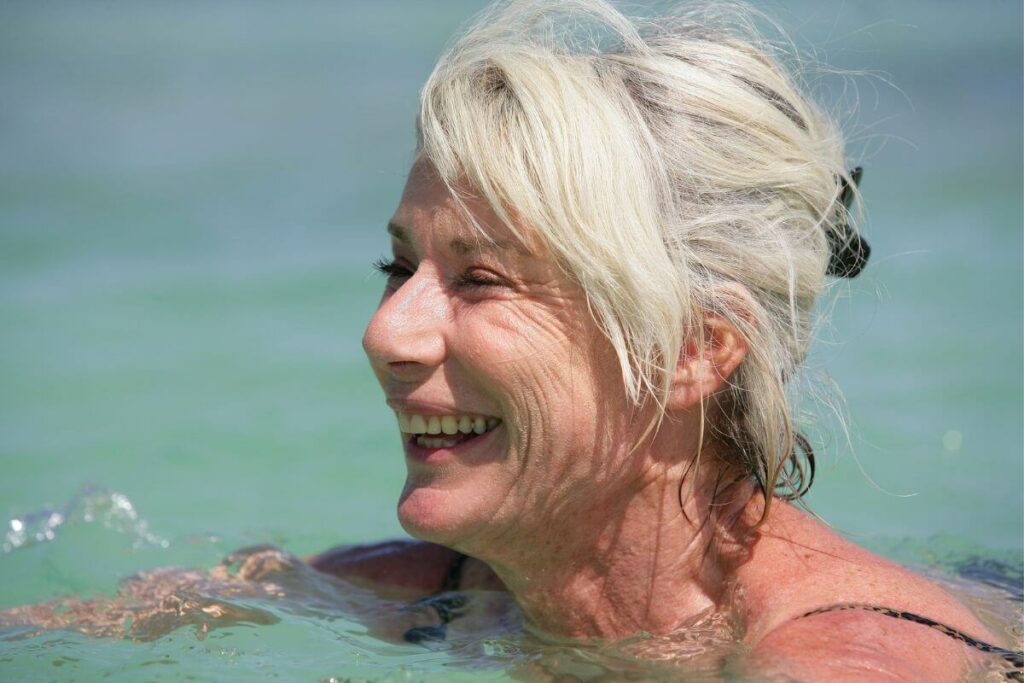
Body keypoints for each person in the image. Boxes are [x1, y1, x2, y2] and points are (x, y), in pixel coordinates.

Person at [307, 0, 1023, 680]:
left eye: (482, 279)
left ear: (693, 349)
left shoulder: (851, 650)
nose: (386, 330)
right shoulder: (433, 597)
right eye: (398, 267)